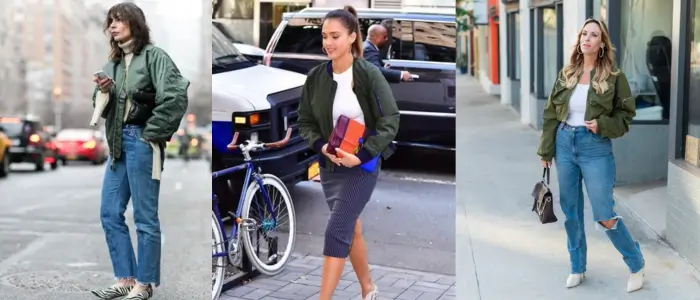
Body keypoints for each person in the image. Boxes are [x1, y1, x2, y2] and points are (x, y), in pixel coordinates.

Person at [296, 5, 400, 300]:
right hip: (330, 166)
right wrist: (321, 146)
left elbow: (390, 119)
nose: (328, 42)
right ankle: (368, 288)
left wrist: (364, 155)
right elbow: (304, 121)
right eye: (324, 36)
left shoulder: (368, 74)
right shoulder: (316, 77)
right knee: (350, 228)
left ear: (352, 36)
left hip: (360, 166)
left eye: (335, 36)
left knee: (336, 231)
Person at [537, 18, 645, 293]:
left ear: (602, 43)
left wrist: (602, 125)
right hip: (564, 143)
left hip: (595, 148)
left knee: (604, 214)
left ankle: (636, 263)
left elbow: (626, 116)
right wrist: (546, 150)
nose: (587, 38)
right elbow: (551, 113)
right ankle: (577, 266)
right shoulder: (567, 73)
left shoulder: (614, 76)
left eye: (593, 35)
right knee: (571, 211)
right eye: (584, 33)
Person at [90, 2, 189, 300]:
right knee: (109, 213)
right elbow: (101, 103)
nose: (113, 26)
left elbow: (175, 97)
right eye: (110, 21)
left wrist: (151, 134)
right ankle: (125, 278)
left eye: (118, 20)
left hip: (142, 142)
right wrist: (103, 89)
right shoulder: (113, 63)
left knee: (145, 218)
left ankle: (144, 284)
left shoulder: (155, 57)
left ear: (135, 23)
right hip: (118, 145)